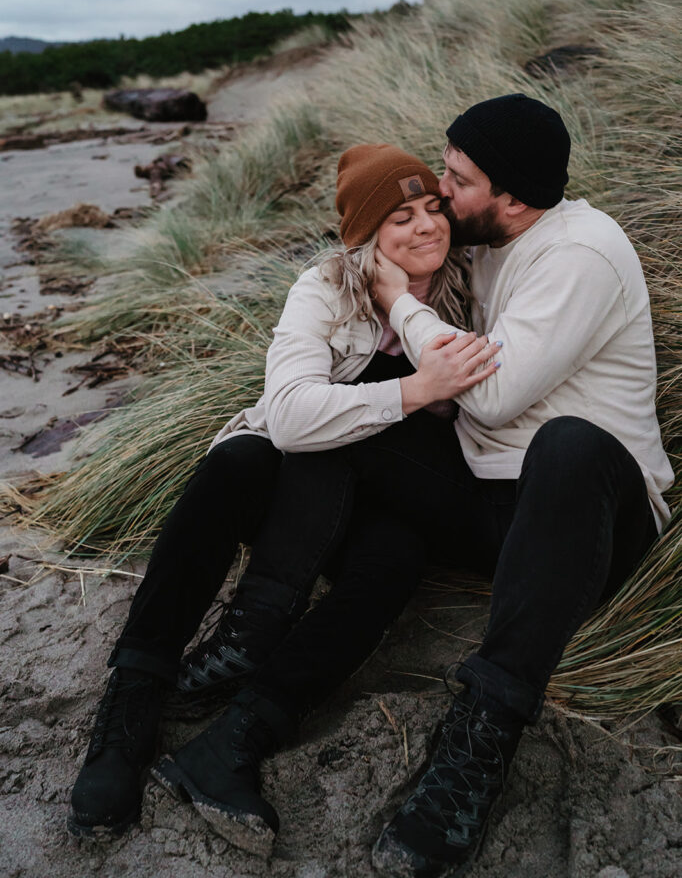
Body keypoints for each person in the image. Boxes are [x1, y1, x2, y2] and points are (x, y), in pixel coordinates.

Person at [67, 143, 498, 848]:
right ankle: (135, 697)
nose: (427, 228)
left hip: (388, 504)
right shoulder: (325, 288)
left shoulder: (473, 288)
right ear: (364, 237)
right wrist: (418, 389)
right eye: (400, 219)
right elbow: (292, 417)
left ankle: (241, 732)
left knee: (396, 555)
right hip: (297, 494)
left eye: (432, 209)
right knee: (236, 460)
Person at [343, 94, 672, 877]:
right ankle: (263, 639)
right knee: (356, 423)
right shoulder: (482, 237)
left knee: (566, 445)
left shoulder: (581, 254)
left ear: (515, 199)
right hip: (499, 505)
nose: (439, 192)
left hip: (596, 521)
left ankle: (480, 740)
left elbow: (486, 394)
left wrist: (398, 304)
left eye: (456, 179)